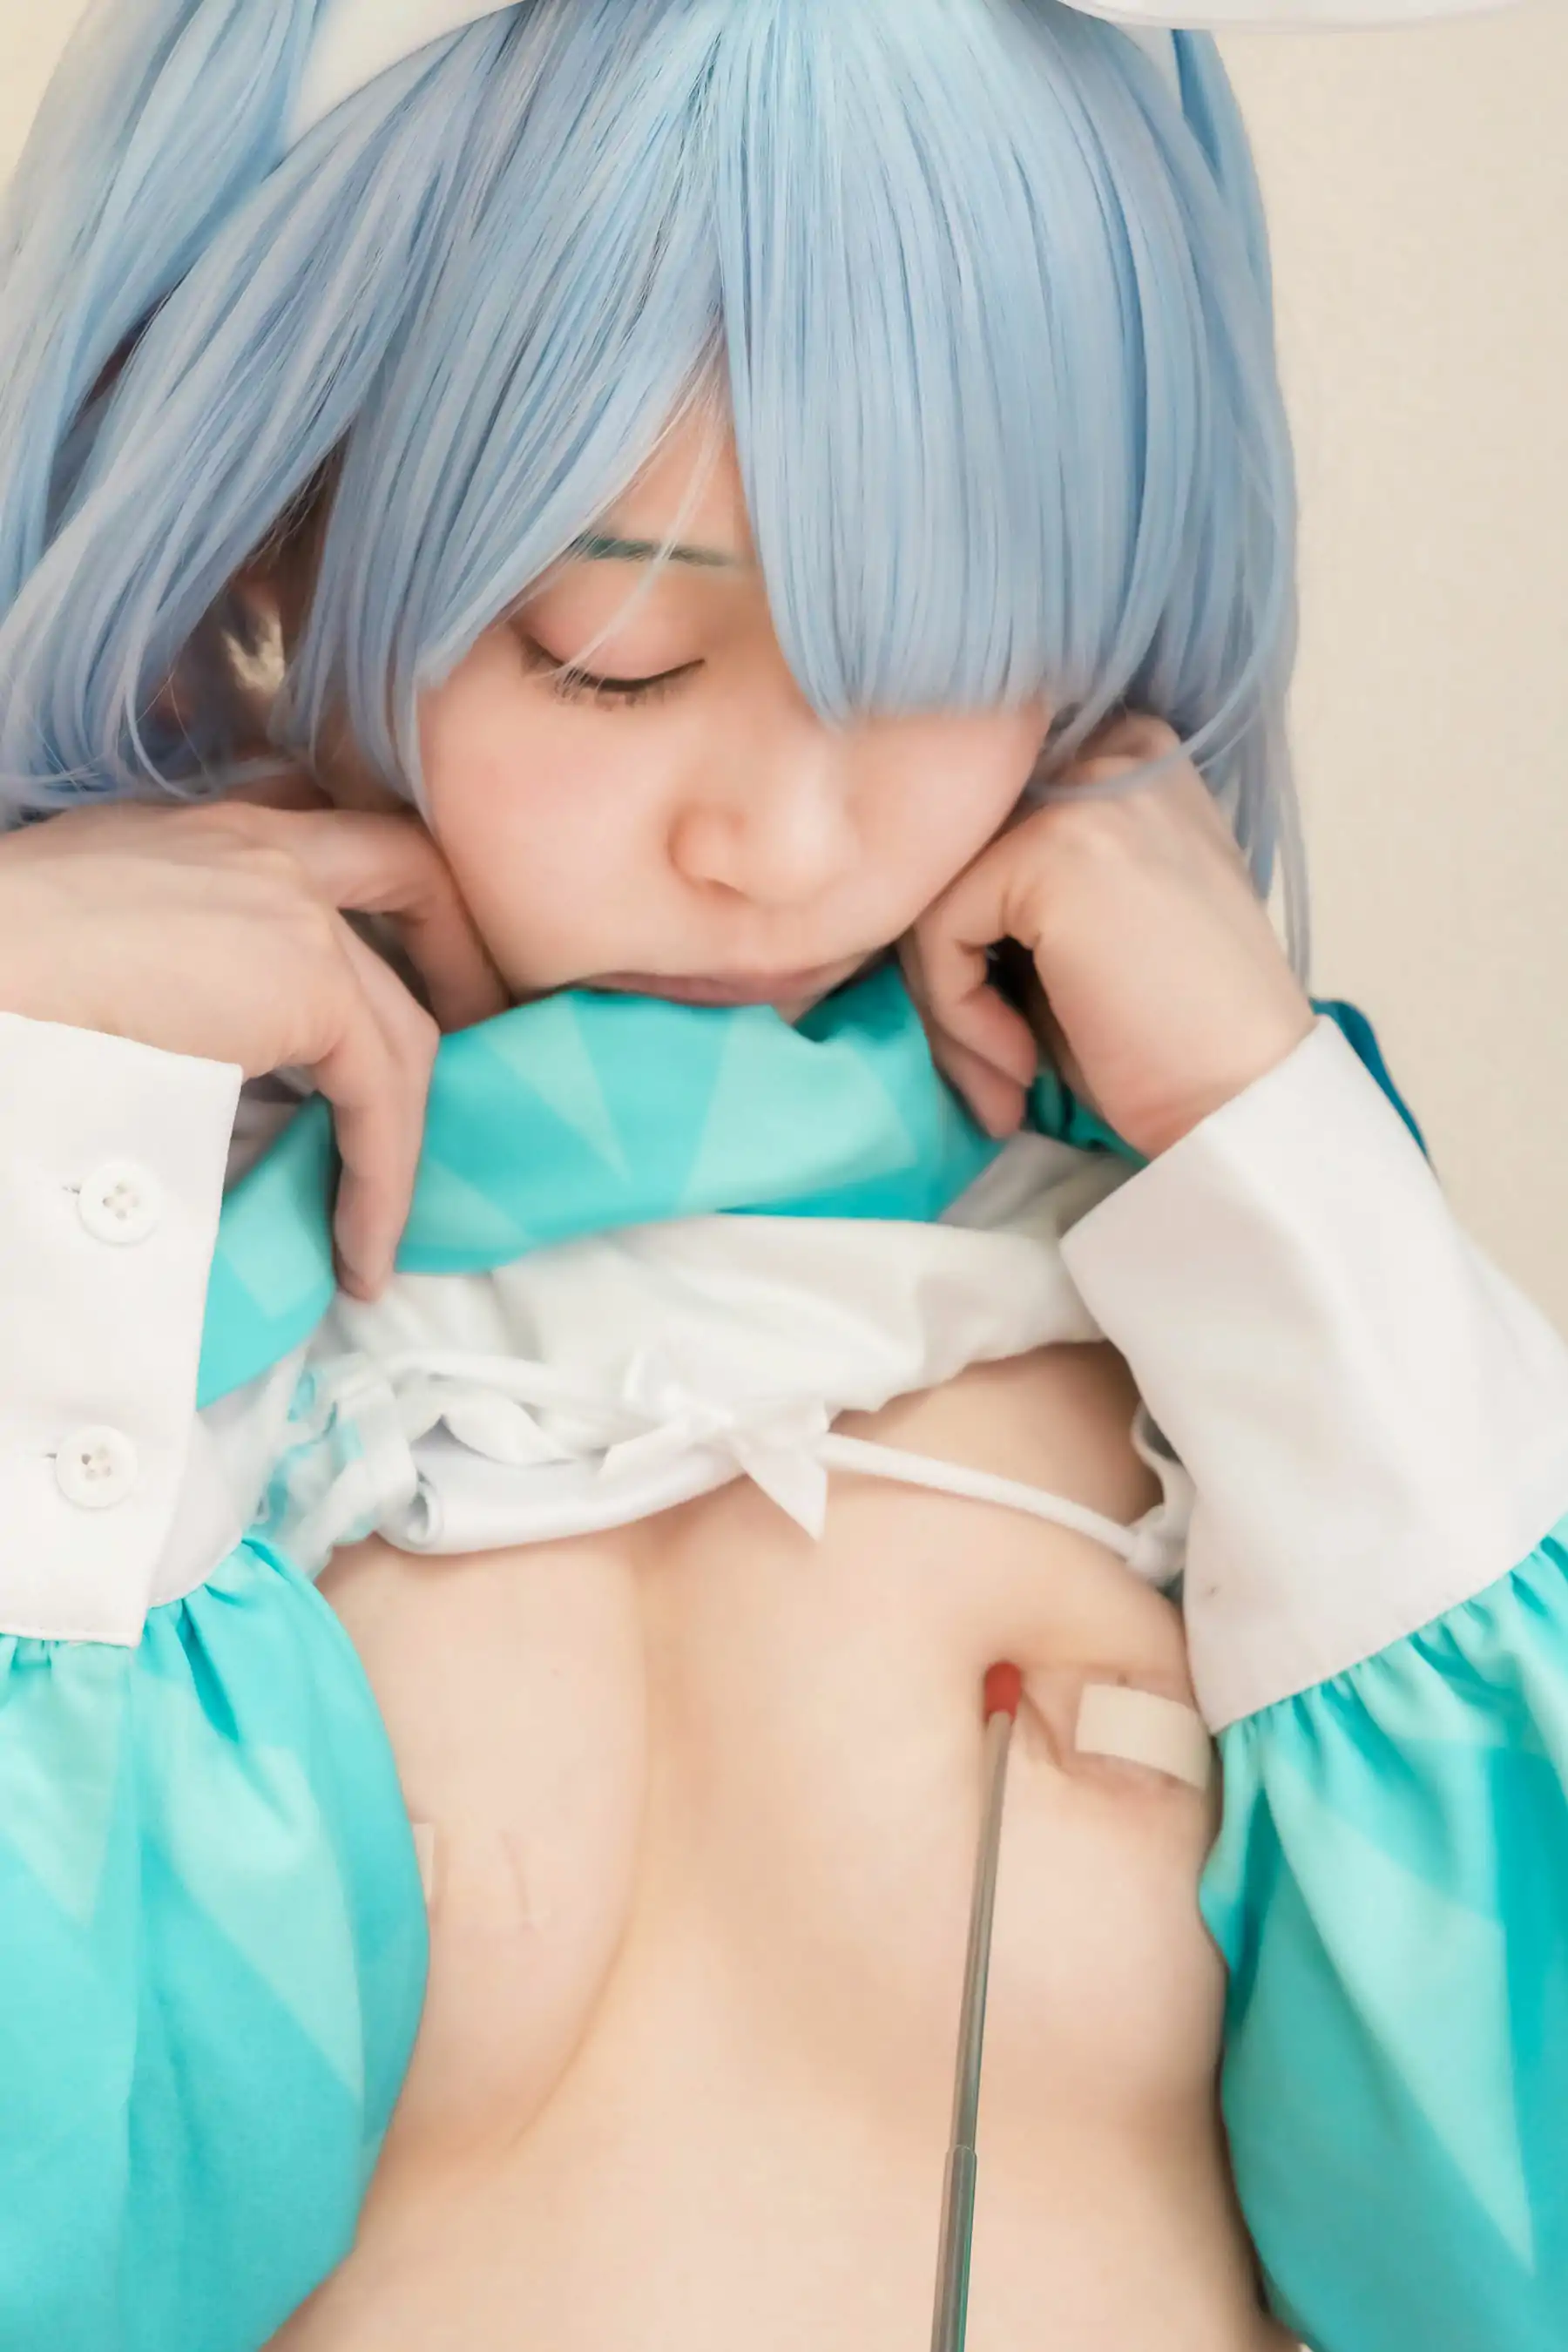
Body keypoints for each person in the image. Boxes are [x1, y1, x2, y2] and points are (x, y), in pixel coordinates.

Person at [0, 5, 1560, 2351]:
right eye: (611, 656)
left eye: (939, 661)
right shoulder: (130, 1378)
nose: (783, 841)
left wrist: (1268, 1140)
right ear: (286, 548)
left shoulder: (1264, 1369)